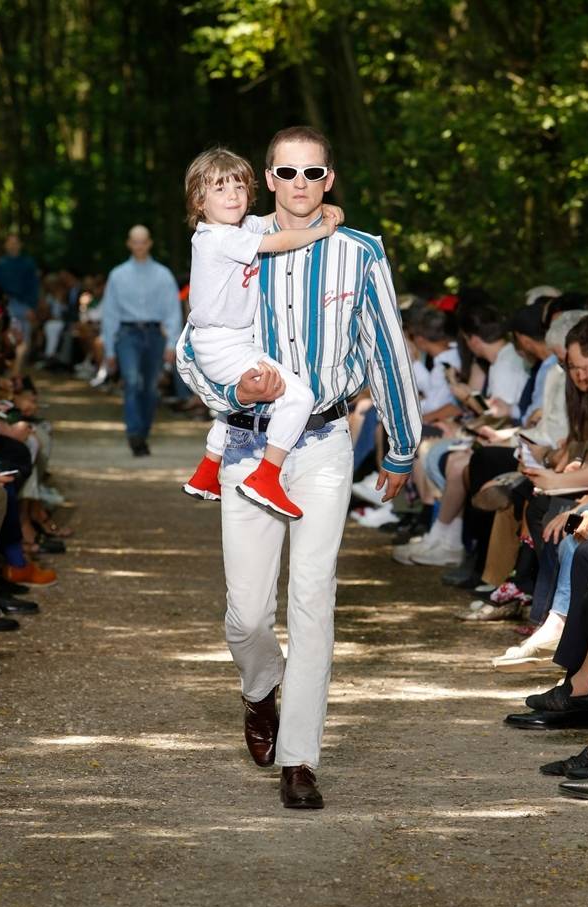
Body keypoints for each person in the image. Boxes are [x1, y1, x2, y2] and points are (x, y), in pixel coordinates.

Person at [177, 125, 421, 810]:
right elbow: (190, 348)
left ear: (329, 178)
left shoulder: (360, 252)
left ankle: (300, 758)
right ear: (268, 178)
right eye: (287, 173)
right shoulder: (236, 239)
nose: (300, 185)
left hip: (324, 444)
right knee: (247, 615)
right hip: (248, 443)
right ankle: (260, 689)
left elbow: (387, 349)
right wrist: (231, 391)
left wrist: (402, 444)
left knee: (313, 599)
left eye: (313, 173)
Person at [182, 147, 341, 519]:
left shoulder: (237, 228)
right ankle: (266, 476)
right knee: (299, 397)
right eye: (220, 189)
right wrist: (321, 230)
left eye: (239, 187)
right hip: (221, 343)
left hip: (232, 339)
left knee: (245, 400)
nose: (232, 196)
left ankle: (207, 472)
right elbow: (279, 240)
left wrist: (323, 209)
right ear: (200, 202)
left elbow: (273, 220)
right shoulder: (218, 238)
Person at [101, 225, 182, 456]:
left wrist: (172, 343)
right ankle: (134, 434)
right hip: (127, 334)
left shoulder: (163, 275)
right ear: (129, 243)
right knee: (132, 381)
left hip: (155, 334)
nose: (139, 246)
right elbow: (110, 314)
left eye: (143, 241)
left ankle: (142, 433)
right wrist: (109, 349)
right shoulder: (117, 275)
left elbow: (173, 311)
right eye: (135, 241)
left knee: (150, 387)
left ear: (149, 243)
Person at [0, 233, 39, 351]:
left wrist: (31, 307)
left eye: (15, 243)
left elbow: (34, 287)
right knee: (5, 339)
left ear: (20, 245)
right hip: (4, 306)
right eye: (10, 243)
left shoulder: (28, 264)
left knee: (24, 340)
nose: (13, 245)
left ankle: (19, 360)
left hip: (24, 305)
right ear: (5, 245)